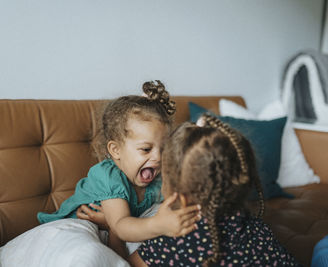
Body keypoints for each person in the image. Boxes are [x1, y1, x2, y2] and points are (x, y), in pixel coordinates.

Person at [37, 80, 201, 259]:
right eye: (146, 149)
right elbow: (121, 226)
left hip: (114, 227)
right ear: (116, 150)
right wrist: (158, 225)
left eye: (163, 149)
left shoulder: (158, 176)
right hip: (79, 224)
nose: (158, 157)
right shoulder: (108, 176)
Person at [127, 114, 302, 266]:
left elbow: (124, 264)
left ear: (181, 197)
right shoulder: (259, 230)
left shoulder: (171, 241)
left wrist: (114, 231)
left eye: (163, 176)